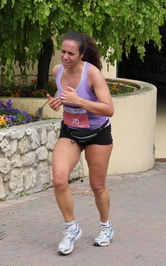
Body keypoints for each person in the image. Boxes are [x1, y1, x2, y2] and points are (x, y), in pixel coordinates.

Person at [46, 31, 114, 255]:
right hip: (71, 131)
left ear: (82, 54)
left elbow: (108, 109)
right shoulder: (57, 71)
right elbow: (64, 98)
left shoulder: (92, 74)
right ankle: (71, 228)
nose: (65, 57)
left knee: (97, 186)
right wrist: (58, 103)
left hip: (97, 133)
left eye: (71, 53)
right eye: (63, 51)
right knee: (58, 180)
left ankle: (105, 226)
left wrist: (79, 101)